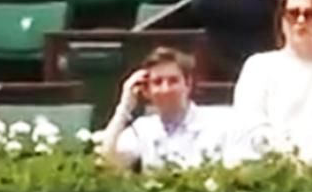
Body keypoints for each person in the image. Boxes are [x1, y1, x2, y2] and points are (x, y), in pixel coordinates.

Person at [230, 0, 312, 164]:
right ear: (282, 20)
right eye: (293, 14)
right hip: (267, 167)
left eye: (310, 14)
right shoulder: (259, 66)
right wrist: (288, 160)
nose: (301, 21)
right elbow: (251, 126)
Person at [96, 47, 231, 171]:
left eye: (173, 81)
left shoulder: (220, 122)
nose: (165, 89)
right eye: (157, 82)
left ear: (188, 84)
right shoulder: (142, 129)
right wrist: (125, 106)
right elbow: (108, 161)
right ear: (147, 91)